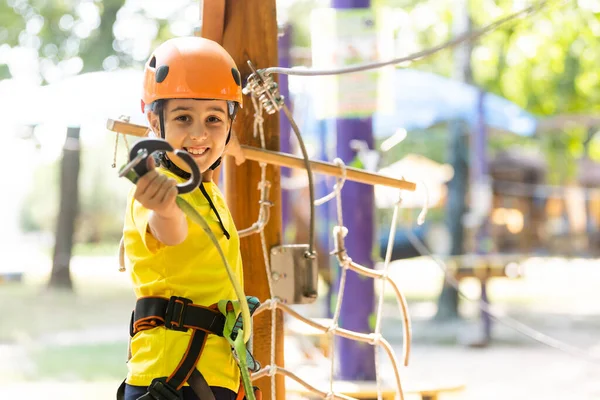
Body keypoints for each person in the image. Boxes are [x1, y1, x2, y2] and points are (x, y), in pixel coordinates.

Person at [118, 36, 255, 400]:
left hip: (212, 376)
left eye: (214, 118)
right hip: (173, 381)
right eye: (182, 118)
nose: (198, 133)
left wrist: (221, 141)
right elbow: (170, 232)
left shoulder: (205, 190)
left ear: (230, 123)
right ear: (154, 120)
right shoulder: (156, 189)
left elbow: (206, 144)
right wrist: (164, 209)